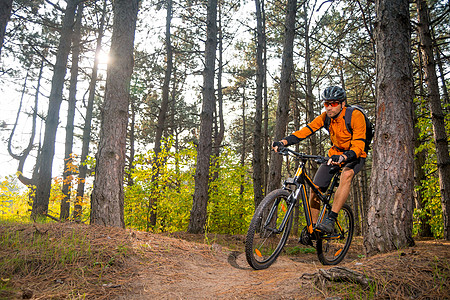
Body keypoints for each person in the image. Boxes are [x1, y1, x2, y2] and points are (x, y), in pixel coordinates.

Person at [272, 86, 367, 234]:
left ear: (342, 104)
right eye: (326, 104)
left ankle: (331, 218)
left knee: (346, 174)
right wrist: (283, 142)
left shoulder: (354, 115)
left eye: (333, 103)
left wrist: (343, 157)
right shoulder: (325, 117)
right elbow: (305, 131)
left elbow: (359, 145)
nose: (329, 107)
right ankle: (313, 228)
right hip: (334, 154)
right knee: (315, 188)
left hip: (355, 154)